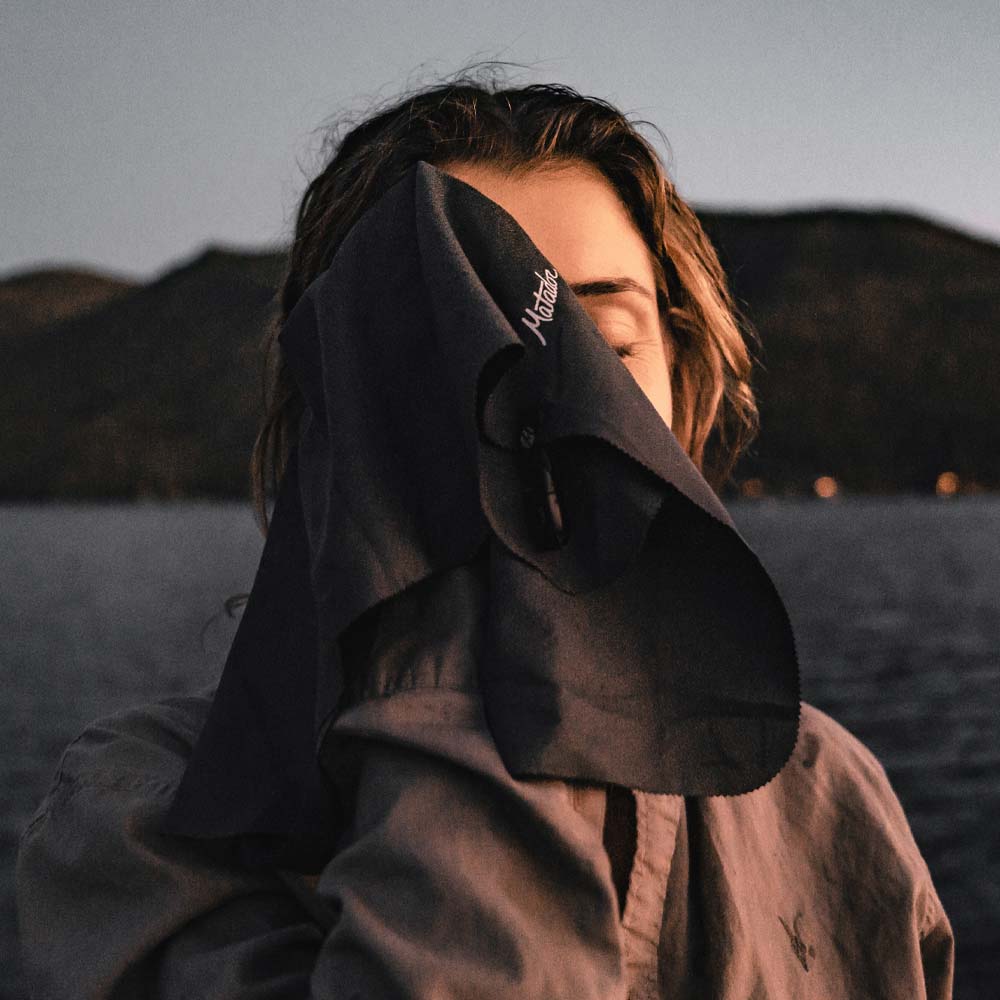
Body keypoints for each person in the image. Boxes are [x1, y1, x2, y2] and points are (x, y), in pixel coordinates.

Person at [15, 67, 954, 999]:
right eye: (457, 344)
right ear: (342, 415)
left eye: (605, 348)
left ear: (687, 388)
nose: (547, 406)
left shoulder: (823, 791)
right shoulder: (138, 813)